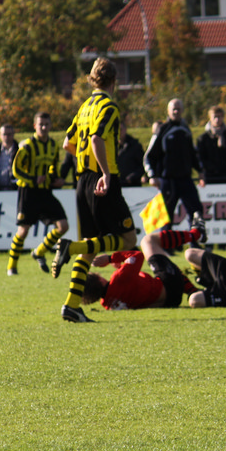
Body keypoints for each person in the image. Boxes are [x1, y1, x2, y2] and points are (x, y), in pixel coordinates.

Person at [51, 57, 138, 323]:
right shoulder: (109, 106)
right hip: (102, 180)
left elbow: (67, 143)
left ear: (92, 80)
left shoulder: (85, 107)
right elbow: (97, 138)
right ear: (114, 81)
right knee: (128, 240)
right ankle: (70, 247)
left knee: (90, 249)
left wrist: (87, 162)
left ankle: (71, 306)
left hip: (83, 181)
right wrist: (105, 173)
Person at [81, 225, 207, 311]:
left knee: (163, 269)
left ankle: (193, 291)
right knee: (148, 241)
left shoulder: (107, 304)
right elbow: (137, 256)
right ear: (99, 279)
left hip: (169, 301)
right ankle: (196, 234)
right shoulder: (118, 279)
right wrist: (110, 258)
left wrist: (121, 267)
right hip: (170, 284)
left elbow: (127, 288)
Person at [6, 112, 68, 275]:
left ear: (51, 125)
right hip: (28, 192)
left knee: (63, 226)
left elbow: (53, 167)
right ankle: (12, 266)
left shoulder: (53, 145)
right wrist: (33, 179)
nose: (44, 127)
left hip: (45, 192)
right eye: (41, 124)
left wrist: (56, 179)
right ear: (35, 126)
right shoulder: (27, 145)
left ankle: (39, 252)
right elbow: (16, 169)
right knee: (23, 231)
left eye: (46, 124)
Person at [144, 98, 204, 225]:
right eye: (174, 109)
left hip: (185, 179)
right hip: (168, 181)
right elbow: (149, 156)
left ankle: (196, 236)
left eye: (178, 109)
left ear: (182, 110)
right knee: (166, 217)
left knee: (197, 211)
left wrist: (200, 171)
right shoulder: (162, 130)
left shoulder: (185, 130)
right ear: (168, 111)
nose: (176, 112)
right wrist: (152, 176)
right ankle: (165, 238)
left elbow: (192, 153)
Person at [196, 106, 226, 185]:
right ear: (210, 118)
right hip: (210, 176)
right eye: (215, 117)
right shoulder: (203, 138)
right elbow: (201, 158)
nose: (217, 119)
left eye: (219, 117)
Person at [0, 125, 19, 190]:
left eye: (9, 134)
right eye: (4, 134)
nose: (6, 137)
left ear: (13, 134)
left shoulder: (19, 150)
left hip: (15, 189)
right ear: (0, 135)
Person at [117, 122, 145, 187]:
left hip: (133, 185)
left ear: (125, 129)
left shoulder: (135, 146)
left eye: (121, 129)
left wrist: (132, 177)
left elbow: (143, 165)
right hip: (117, 184)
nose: (119, 132)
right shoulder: (111, 147)